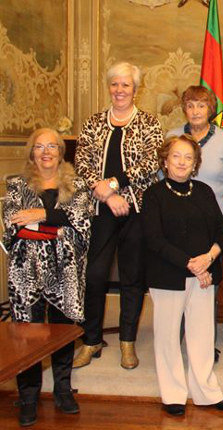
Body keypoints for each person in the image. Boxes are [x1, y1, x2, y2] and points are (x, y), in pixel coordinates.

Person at [73, 61, 163, 370]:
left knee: (132, 278)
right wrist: (108, 195)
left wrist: (115, 184)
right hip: (100, 210)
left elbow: (152, 162)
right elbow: (81, 162)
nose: (120, 90)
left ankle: (127, 342)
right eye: (115, 84)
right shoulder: (94, 122)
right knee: (95, 275)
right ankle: (91, 339)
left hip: (136, 210)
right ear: (108, 87)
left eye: (126, 85)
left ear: (136, 89)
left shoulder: (149, 123)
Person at [2, 128, 94, 427]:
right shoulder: (15, 184)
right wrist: (57, 222)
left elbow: (80, 219)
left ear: (60, 152)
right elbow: (13, 224)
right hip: (24, 271)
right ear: (31, 152)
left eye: (52, 146)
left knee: (62, 331)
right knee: (26, 336)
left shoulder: (78, 184)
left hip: (65, 271)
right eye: (39, 147)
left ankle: (63, 390)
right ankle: (28, 397)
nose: (46, 152)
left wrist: (39, 215)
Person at [142, 135, 223, 417]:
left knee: (202, 336)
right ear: (165, 160)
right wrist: (191, 265)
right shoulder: (154, 194)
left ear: (195, 163)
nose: (182, 162)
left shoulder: (205, 191)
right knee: (168, 337)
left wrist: (208, 259)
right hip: (168, 275)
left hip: (204, 275)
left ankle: (206, 392)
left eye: (188, 157)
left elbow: (221, 231)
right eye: (176, 156)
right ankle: (173, 394)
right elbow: (154, 239)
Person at [167, 85, 223, 361]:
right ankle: (175, 340)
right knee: (179, 282)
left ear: (211, 109)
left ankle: (206, 343)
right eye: (191, 105)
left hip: (211, 224)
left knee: (207, 286)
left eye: (202, 105)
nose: (196, 111)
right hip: (177, 222)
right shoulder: (172, 137)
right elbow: (163, 179)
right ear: (184, 109)